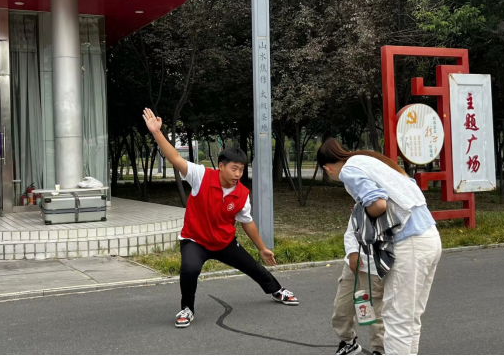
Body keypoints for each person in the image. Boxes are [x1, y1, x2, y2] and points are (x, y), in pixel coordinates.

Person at [143, 108, 299, 329]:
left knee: (253, 266)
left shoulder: (242, 193)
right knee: (189, 269)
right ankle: (187, 309)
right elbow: (175, 158)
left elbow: (247, 222)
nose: (238, 174)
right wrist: (157, 133)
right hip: (195, 240)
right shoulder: (201, 176)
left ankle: (277, 290)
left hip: (224, 242)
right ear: (222, 166)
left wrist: (262, 248)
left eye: (241, 170)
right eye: (234, 169)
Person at [318, 138, 441, 356]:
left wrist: (366, 216)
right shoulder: (372, 161)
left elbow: (378, 203)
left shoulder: (349, 169)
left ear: (328, 169)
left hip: (409, 242)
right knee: (410, 318)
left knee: (397, 320)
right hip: (429, 236)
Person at [333, 218, 385, 356]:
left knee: (376, 315)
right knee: (341, 308)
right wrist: (352, 251)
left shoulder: (388, 207)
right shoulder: (360, 206)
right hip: (352, 264)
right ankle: (348, 342)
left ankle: (380, 350)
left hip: (375, 267)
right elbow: (351, 230)